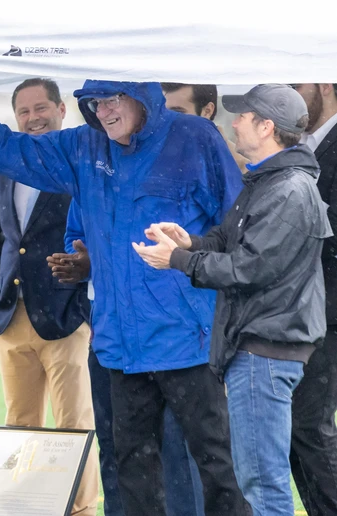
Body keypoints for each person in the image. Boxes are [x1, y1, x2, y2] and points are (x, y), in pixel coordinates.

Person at [0, 68, 249, 516]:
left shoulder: (193, 137)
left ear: (142, 95)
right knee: (131, 471)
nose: (105, 111)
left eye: (113, 98)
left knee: (216, 469)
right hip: (119, 349)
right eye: (95, 103)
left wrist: (199, 263)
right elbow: (7, 150)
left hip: (187, 345)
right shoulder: (83, 146)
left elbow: (236, 226)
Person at [135, 83, 332, 515]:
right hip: (259, 348)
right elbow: (230, 242)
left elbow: (249, 269)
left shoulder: (288, 190)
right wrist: (191, 242)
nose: (234, 122)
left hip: (264, 351)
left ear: (266, 126)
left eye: (243, 115)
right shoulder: (269, 181)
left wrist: (180, 260)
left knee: (262, 484)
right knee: (257, 477)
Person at [0, 78, 98, 515]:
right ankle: (26, 508)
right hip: (10, 315)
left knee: (73, 425)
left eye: (41, 107)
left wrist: (83, 310)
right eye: (24, 111)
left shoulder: (80, 160)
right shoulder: (4, 166)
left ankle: (80, 510)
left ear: (62, 109)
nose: (33, 118)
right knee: (20, 426)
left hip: (66, 316)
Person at [55, 198, 204, 516]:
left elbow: (202, 240)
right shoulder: (88, 173)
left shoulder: (178, 163)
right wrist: (84, 263)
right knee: (116, 448)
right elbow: (76, 239)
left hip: (173, 338)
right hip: (111, 339)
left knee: (177, 451)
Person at [289, 82, 337, 516]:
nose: (287, 92)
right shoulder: (301, 149)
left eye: (293, 84)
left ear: (325, 82)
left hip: (329, 313)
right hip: (299, 314)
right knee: (294, 432)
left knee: (308, 427)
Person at [161, 82, 249, 173]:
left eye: (177, 113)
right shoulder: (152, 156)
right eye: (163, 113)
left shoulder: (241, 170)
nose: (167, 122)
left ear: (207, 111)